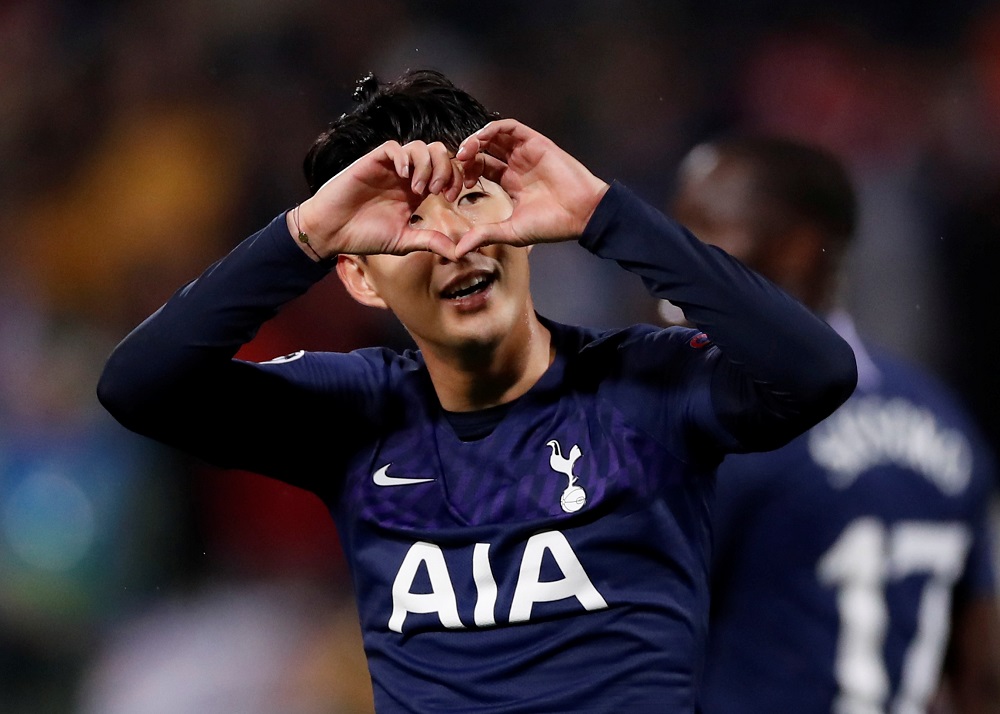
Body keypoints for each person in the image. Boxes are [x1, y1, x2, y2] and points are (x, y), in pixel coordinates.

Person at [97, 69, 857, 713]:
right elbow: (138, 387)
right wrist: (303, 237)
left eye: (470, 200)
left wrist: (604, 215)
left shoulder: (644, 385)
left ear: (521, 217)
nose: (452, 242)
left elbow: (816, 371)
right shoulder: (353, 411)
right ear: (360, 276)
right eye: (408, 223)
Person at [666, 135, 1000, 713]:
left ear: (798, 248)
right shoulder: (945, 419)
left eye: (703, 227)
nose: (670, 255)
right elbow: (983, 673)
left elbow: (629, 642)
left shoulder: (736, 424)